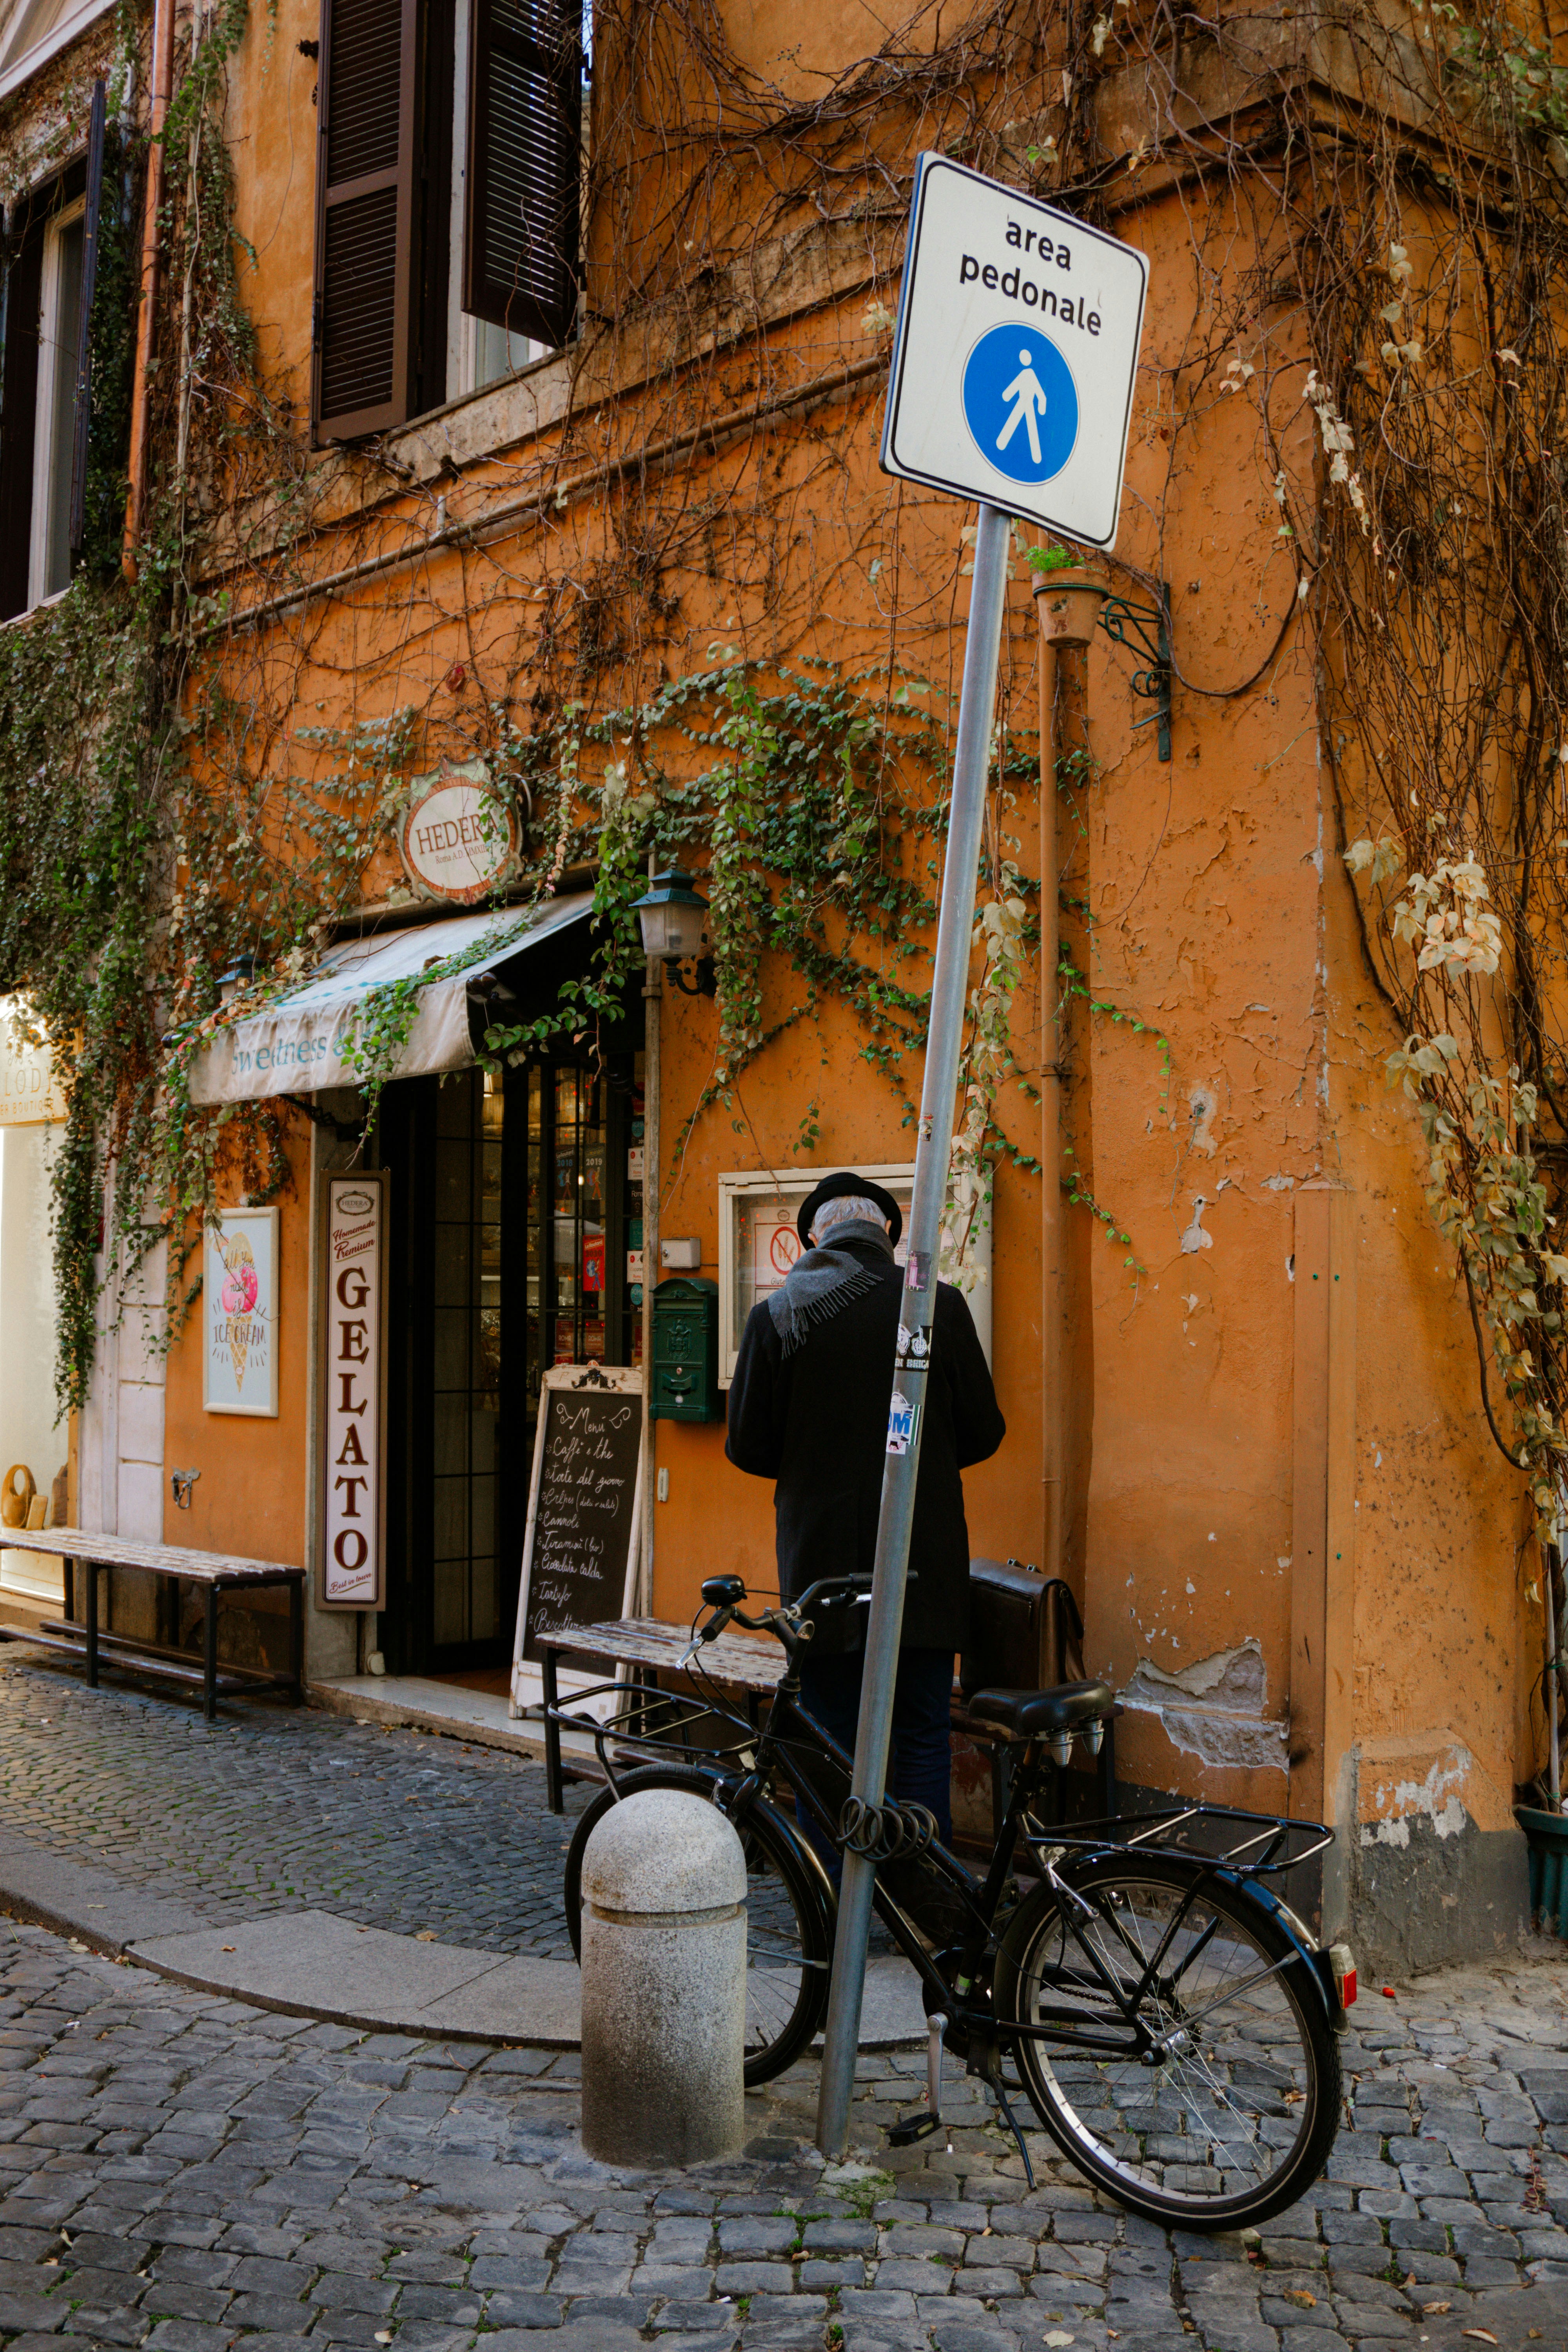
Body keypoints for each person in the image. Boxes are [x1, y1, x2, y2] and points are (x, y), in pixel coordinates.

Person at [724, 1169, 1005, 1857]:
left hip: (822, 1565)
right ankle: (924, 1895)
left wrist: (813, 1466)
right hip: (922, 1557)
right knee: (920, 1734)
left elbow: (748, 1446)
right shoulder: (934, 1305)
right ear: (887, 1237)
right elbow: (985, 1431)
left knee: (829, 1738)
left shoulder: (778, 1313)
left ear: (814, 1238)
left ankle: (832, 1896)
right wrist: (919, 1461)